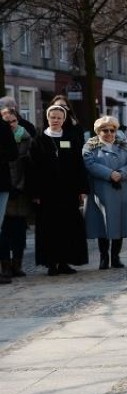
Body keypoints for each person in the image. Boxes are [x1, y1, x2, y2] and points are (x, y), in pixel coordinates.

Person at [29, 104, 89, 275]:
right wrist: (35, 193)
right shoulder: (38, 140)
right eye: (52, 117)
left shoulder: (70, 138)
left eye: (59, 118)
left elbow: (79, 165)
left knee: (67, 227)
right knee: (49, 228)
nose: (55, 120)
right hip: (47, 193)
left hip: (68, 192)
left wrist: (82, 189)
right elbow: (32, 169)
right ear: (47, 118)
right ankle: (51, 263)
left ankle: (64, 262)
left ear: (64, 120)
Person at [83, 116, 127, 270]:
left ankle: (115, 257)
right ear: (98, 131)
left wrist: (120, 173)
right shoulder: (90, 147)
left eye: (112, 130)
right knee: (103, 225)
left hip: (120, 190)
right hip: (101, 191)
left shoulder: (123, 146)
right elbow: (89, 164)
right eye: (104, 130)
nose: (108, 133)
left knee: (120, 224)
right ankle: (103, 257)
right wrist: (109, 174)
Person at [0, 108, 31, 279]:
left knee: (19, 230)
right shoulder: (3, 137)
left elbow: (29, 166)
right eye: (7, 121)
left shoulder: (26, 138)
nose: (11, 124)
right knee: (3, 231)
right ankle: (5, 265)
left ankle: (17, 264)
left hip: (21, 190)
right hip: (4, 186)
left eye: (13, 121)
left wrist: (19, 186)